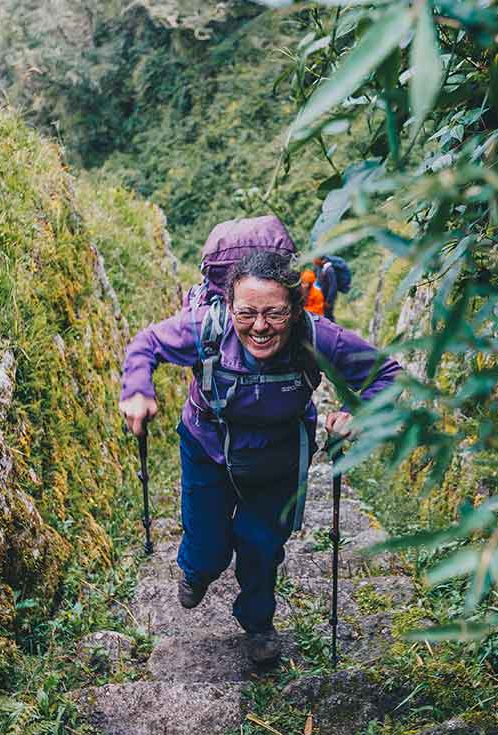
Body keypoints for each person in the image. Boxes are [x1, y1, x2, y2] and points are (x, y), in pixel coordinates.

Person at [118, 233, 401, 665]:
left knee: (261, 547)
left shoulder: (315, 335)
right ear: (228, 307)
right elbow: (147, 345)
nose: (260, 326)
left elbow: (386, 372)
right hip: (207, 451)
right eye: (247, 313)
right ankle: (197, 570)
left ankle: (258, 625)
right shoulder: (206, 326)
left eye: (274, 313)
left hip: (279, 459)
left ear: (296, 307)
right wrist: (138, 388)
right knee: (206, 548)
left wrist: (356, 412)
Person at [313, 255, 337, 321]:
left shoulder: (329, 270)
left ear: (321, 260)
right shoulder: (319, 268)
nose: (313, 261)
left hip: (327, 299)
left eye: (315, 259)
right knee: (325, 317)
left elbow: (333, 286)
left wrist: (329, 301)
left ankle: (335, 330)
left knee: (329, 316)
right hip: (322, 298)